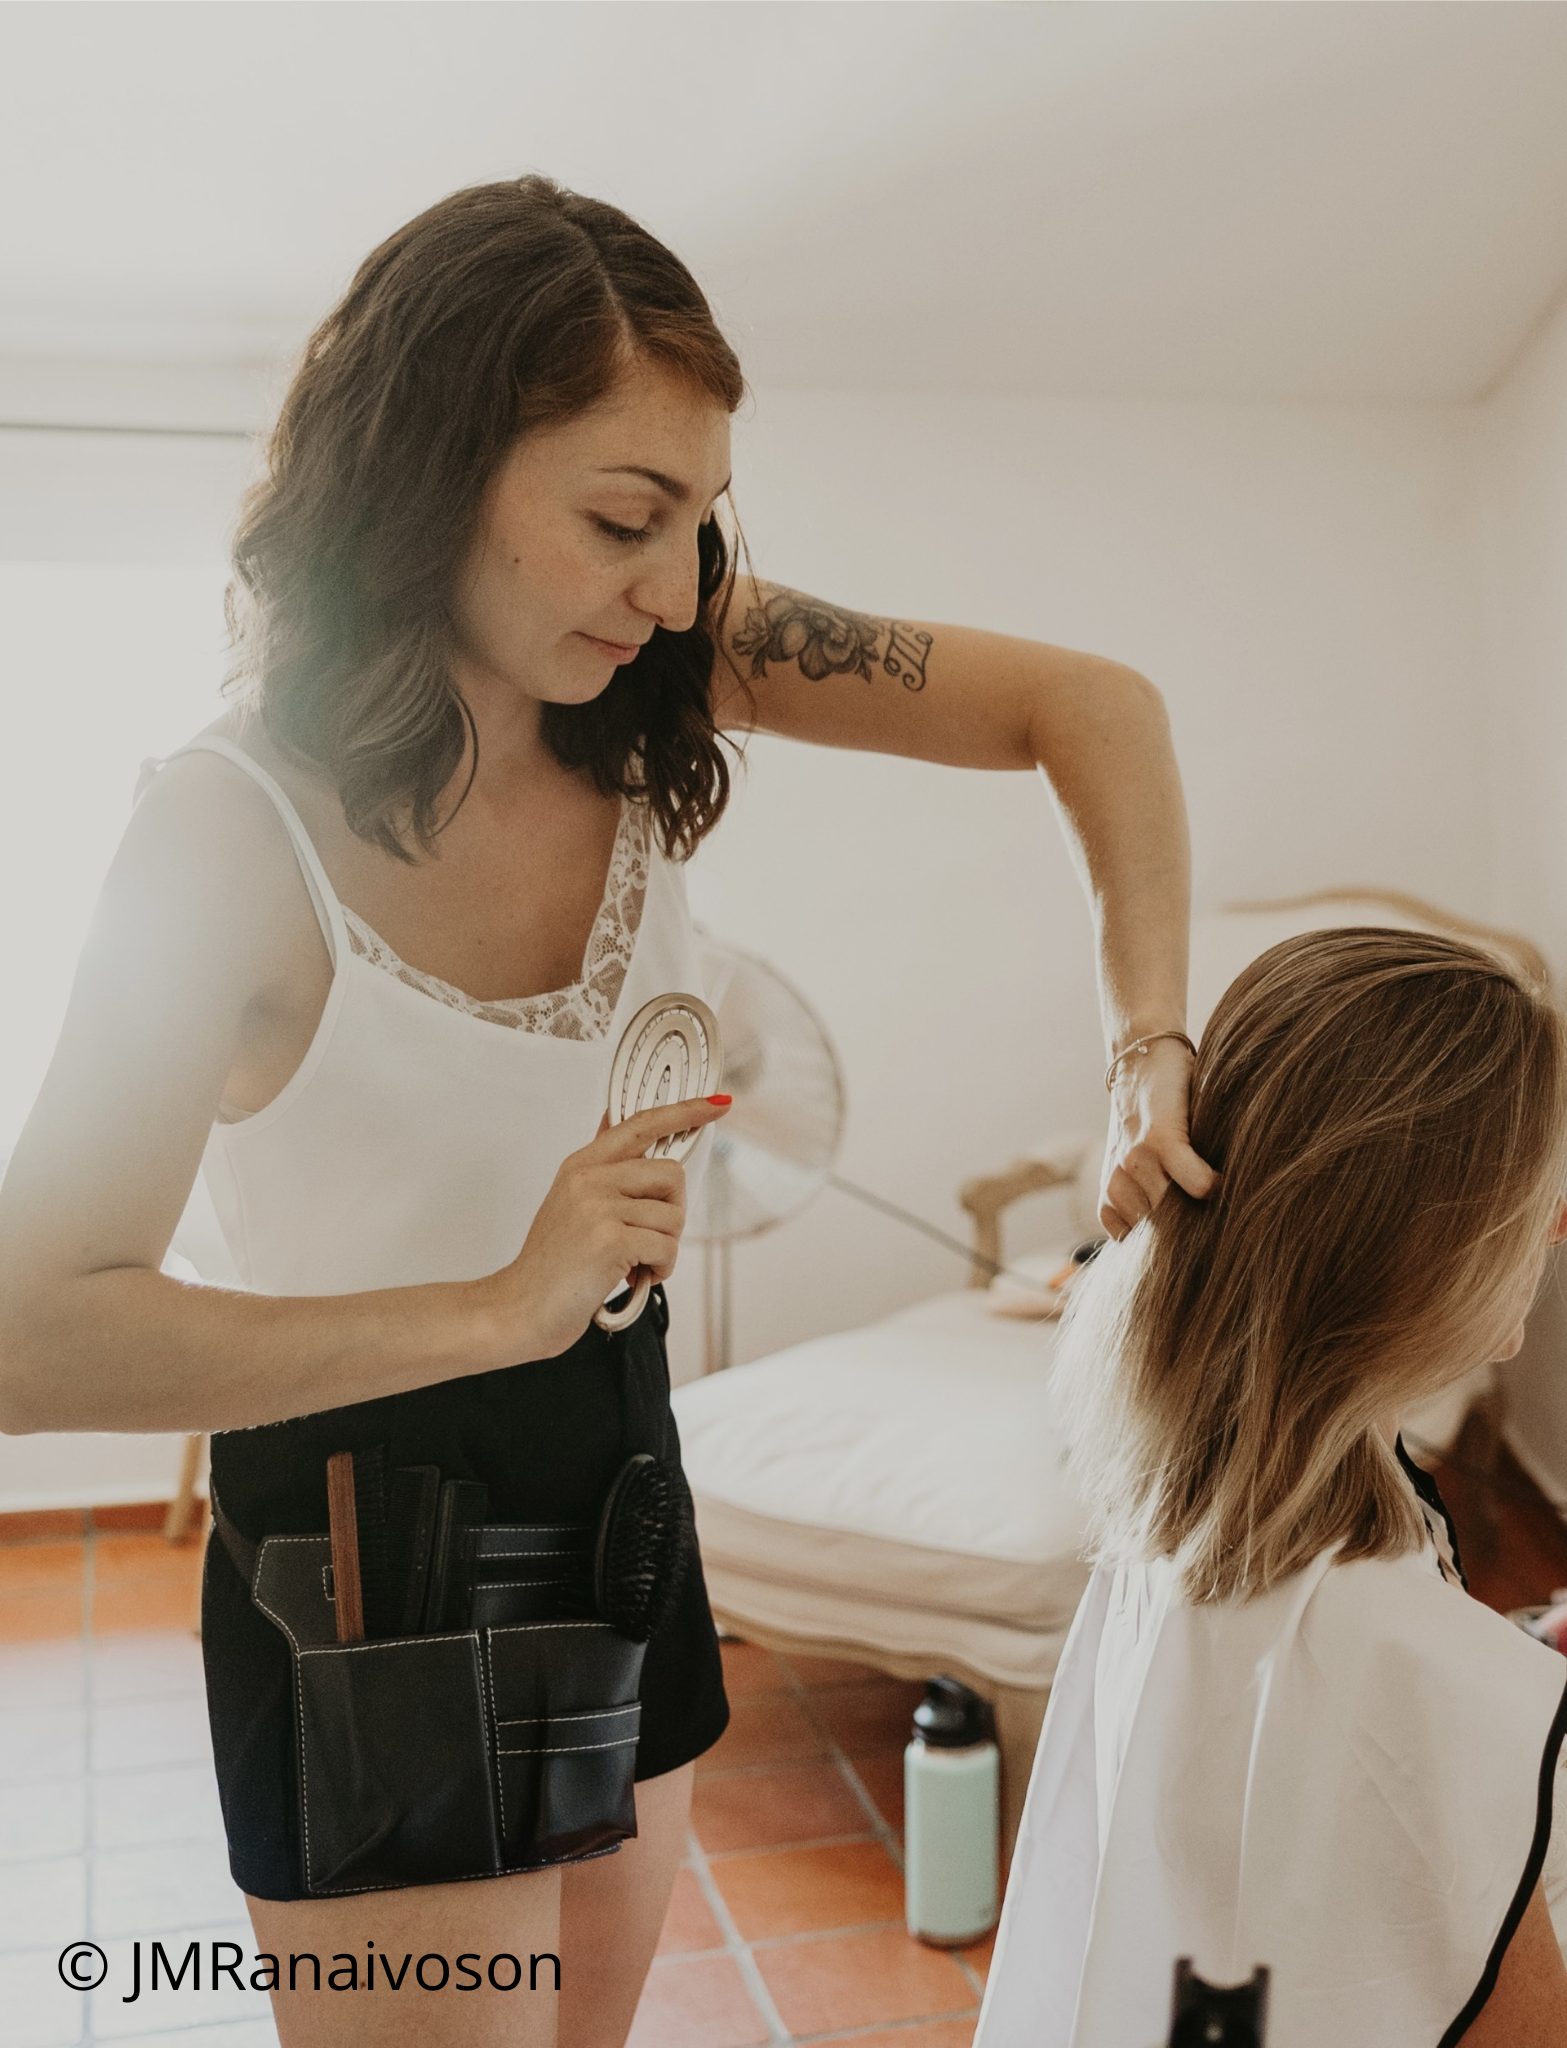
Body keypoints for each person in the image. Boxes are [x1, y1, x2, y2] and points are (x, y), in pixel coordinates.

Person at [0, 176, 1212, 2048]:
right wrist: (502, 1302)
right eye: (623, 519)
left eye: (701, 522)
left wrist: (1145, 1046)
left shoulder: (671, 664)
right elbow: (33, 1333)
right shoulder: (223, 839)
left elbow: (1093, 706)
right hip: (373, 1545)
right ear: (426, 473)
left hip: (621, 1472)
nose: (673, 586)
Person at [975, 927, 1567, 2048]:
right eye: (1541, 1190)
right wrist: (1474, 1689)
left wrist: (1497, 1653)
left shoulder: (1180, 1516)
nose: (1554, 1228)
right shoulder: (1402, 1664)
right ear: (1423, 1251)